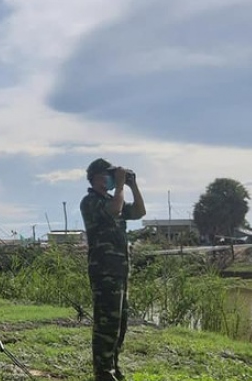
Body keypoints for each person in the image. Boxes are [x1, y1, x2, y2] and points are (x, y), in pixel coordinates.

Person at [80, 158, 146, 381]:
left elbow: (138, 212)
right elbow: (115, 209)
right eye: (107, 175)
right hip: (103, 271)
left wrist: (132, 185)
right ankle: (102, 372)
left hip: (119, 271)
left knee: (120, 323)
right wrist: (119, 185)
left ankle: (113, 367)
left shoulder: (112, 198)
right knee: (106, 323)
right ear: (97, 178)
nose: (111, 178)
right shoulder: (90, 202)